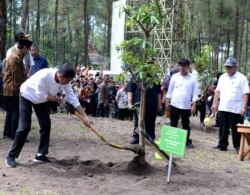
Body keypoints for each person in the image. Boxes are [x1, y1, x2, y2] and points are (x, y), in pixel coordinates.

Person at [6, 64, 90, 168]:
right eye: (67, 81)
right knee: (24, 127)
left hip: (42, 99)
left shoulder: (65, 79)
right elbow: (40, 96)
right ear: (60, 76)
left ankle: (41, 154)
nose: (68, 83)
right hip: (27, 95)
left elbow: (72, 98)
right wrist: (60, 100)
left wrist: (85, 117)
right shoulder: (44, 76)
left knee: (46, 125)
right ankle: (11, 156)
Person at [211, 58, 249, 152]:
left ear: (235, 67)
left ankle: (237, 146)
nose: (228, 69)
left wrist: (244, 106)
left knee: (236, 129)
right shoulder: (222, 77)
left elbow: (245, 93)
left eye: (230, 67)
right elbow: (217, 91)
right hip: (223, 107)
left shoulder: (242, 78)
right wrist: (214, 103)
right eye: (226, 67)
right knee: (223, 127)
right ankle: (222, 145)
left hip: (236, 108)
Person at [3, 39, 33, 140]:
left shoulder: (18, 57)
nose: (29, 52)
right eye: (28, 49)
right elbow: (17, 78)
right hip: (13, 89)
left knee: (11, 112)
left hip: (11, 88)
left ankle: (8, 133)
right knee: (16, 112)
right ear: (24, 48)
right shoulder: (15, 58)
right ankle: (15, 135)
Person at [165, 58, 199, 148]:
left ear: (188, 67)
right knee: (173, 122)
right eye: (180, 65)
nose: (181, 67)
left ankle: (187, 141)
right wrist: (167, 101)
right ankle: (171, 140)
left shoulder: (193, 78)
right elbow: (170, 90)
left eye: (184, 66)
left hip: (186, 105)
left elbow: (195, 93)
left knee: (186, 124)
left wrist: (194, 105)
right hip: (174, 103)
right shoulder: (174, 76)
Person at [128, 75, 162, 144]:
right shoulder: (136, 75)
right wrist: (129, 102)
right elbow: (130, 90)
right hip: (138, 103)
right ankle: (136, 137)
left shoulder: (155, 77)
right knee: (137, 122)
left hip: (152, 103)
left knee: (151, 122)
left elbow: (158, 92)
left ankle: (150, 138)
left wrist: (159, 104)